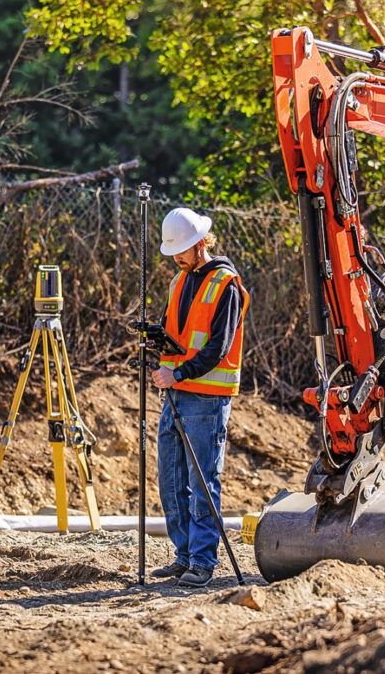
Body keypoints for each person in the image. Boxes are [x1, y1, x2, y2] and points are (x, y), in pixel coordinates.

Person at [150, 207, 249, 588]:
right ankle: (184, 555)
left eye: (184, 249)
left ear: (202, 243)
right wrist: (156, 344)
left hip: (206, 396)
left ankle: (204, 561)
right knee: (172, 479)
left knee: (203, 480)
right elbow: (176, 331)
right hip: (174, 392)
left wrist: (178, 372)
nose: (177, 257)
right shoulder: (179, 281)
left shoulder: (227, 285)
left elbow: (218, 348)